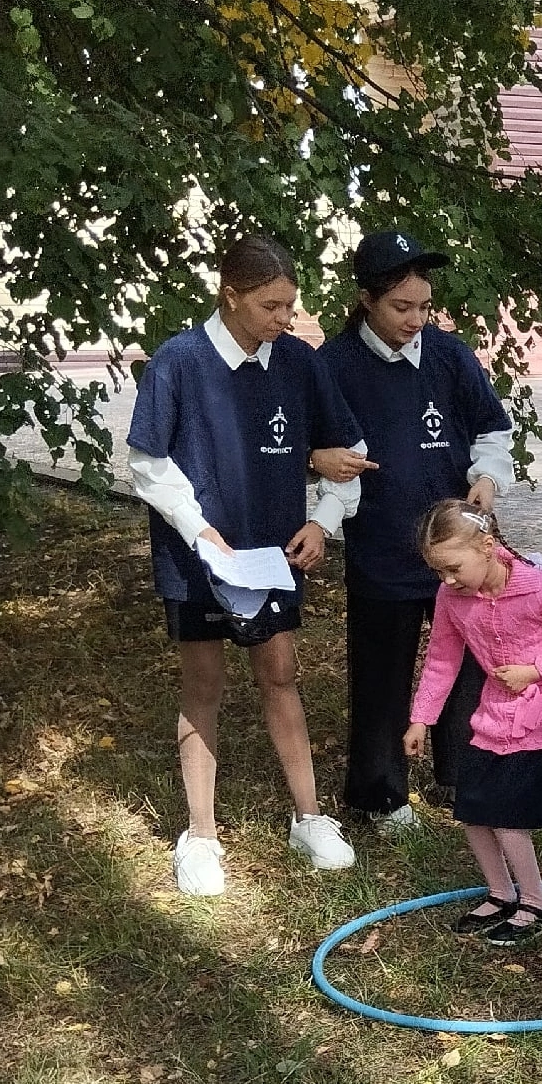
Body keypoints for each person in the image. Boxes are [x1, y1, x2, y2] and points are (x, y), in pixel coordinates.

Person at [126, 232, 369, 897]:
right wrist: (202, 531)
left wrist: (322, 521)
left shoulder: (298, 361)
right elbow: (148, 464)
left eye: (290, 305)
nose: (284, 319)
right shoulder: (179, 361)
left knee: (280, 674)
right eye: (271, 305)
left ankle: (310, 817)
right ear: (230, 294)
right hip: (196, 557)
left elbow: (347, 453)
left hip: (270, 558)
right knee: (202, 684)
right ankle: (200, 835)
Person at [320, 228, 514, 834]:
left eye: (424, 307)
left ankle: (463, 774)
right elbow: (318, 449)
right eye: (402, 308)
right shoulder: (334, 366)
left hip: (458, 546)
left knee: (469, 658)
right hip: (382, 543)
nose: (415, 320)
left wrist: (485, 477)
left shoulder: (451, 356)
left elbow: (492, 431)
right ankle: (382, 794)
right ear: (367, 301)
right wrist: (319, 462)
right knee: (382, 668)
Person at [404, 503, 542, 945]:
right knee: (473, 808)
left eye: (453, 568)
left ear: (488, 547)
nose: (447, 581)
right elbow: (441, 659)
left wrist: (537, 670)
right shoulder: (451, 597)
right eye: (438, 572)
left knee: (508, 816)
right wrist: (421, 719)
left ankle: (536, 902)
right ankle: (500, 892)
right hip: (491, 716)